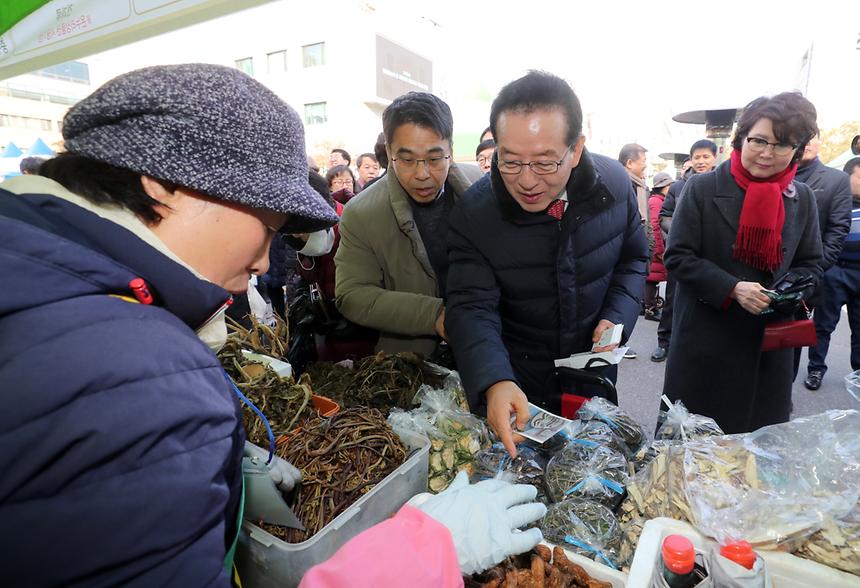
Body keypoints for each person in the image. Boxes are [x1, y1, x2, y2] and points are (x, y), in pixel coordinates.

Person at [1, 63, 546, 588]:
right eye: (268, 226)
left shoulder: (34, 264)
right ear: (162, 185)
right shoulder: (142, 374)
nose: (265, 261)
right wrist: (419, 554)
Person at [445, 71, 648, 456]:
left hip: (592, 373)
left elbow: (634, 259)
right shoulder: (475, 213)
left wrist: (616, 316)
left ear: (575, 149)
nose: (526, 181)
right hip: (518, 382)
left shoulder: (615, 186)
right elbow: (471, 306)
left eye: (544, 163)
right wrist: (494, 379)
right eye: (510, 161)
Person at [662, 92, 823, 434]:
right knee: (695, 449)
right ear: (741, 137)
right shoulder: (701, 189)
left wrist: (787, 292)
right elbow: (677, 257)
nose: (767, 153)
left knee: (757, 450)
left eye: (782, 145)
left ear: (797, 149)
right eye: (759, 140)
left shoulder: (802, 197)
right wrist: (732, 288)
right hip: (707, 339)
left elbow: (811, 264)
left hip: (769, 344)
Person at [335, 92, 481, 357]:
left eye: (435, 159)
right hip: (412, 363)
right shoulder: (361, 213)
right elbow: (352, 294)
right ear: (389, 152)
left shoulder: (481, 187)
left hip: (485, 349)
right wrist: (436, 316)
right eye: (407, 160)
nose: (422, 174)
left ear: (451, 149)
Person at [794, 134, 852, 388]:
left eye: (811, 137)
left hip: (810, 276)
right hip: (764, 275)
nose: (805, 143)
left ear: (819, 143)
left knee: (790, 343)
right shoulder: (773, 173)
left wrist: (815, 269)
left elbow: (838, 230)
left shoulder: (836, 180)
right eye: (800, 136)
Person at [651, 139, 718, 363]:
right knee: (672, 300)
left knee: (708, 302)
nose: (701, 161)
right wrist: (684, 231)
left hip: (711, 257)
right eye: (697, 157)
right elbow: (664, 216)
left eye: (706, 157)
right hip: (682, 255)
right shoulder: (678, 187)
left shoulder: (722, 185)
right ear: (691, 160)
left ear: (714, 158)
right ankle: (664, 342)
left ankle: (698, 345)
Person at [804, 157, 860, 388]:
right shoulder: (836, 201)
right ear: (848, 177)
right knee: (823, 325)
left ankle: (858, 373)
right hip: (835, 271)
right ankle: (816, 369)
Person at [618, 142, 651, 360]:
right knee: (622, 295)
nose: (645, 167)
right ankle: (618, 342)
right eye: (643, 162)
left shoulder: (639, 186)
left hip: (635, 250)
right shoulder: (620, 185)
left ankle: (620, 341)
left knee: (629, 298)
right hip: (622, 254)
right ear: (629, 163)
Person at [644, 172, 674, 321]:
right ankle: (650, 307)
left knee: (653, 277)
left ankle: (649, 304)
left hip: (658, 244)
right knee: (652, 278)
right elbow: (655, 226)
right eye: (669, 185)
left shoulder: (657, 200)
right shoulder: (656, 202)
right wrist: (659, 249)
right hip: (657, 245)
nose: (671, 188)